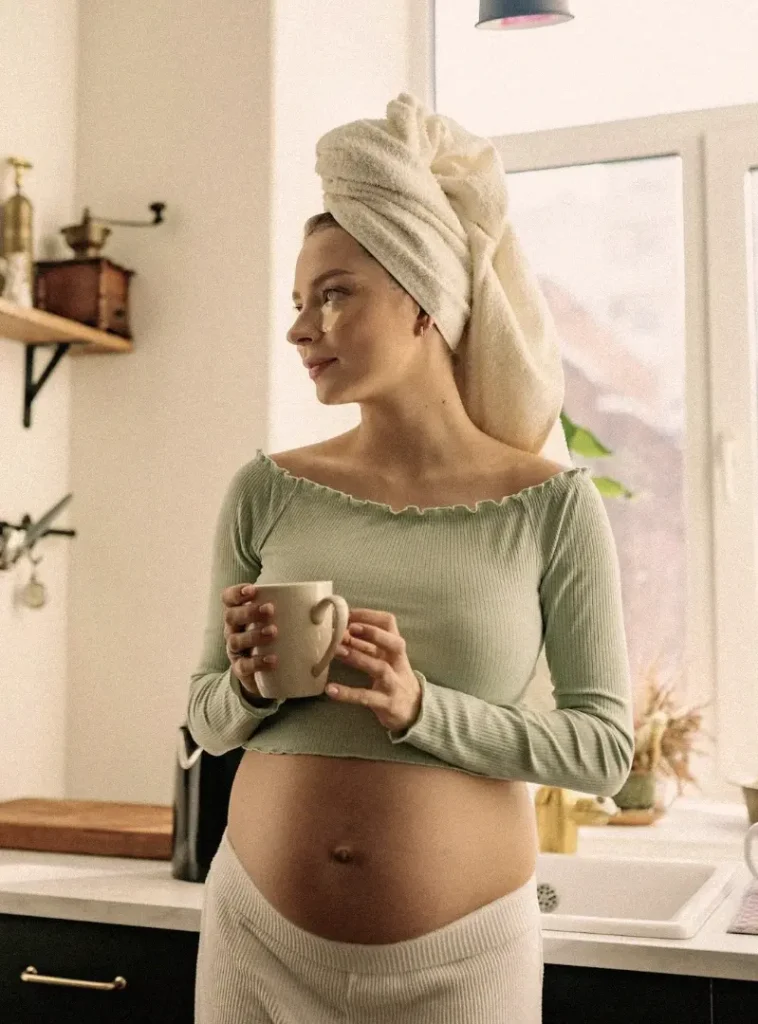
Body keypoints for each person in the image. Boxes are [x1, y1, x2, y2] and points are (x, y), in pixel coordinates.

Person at [189, 93, 634, 1023]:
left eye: (333, 293)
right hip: (253, 947)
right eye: (298, 301)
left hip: (460, 968)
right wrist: (253, 688)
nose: (300, 328)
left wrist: (422, 709)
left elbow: (601, 751)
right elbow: (206, 721)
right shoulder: (265, 487)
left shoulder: (548, 505)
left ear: (423, 301)